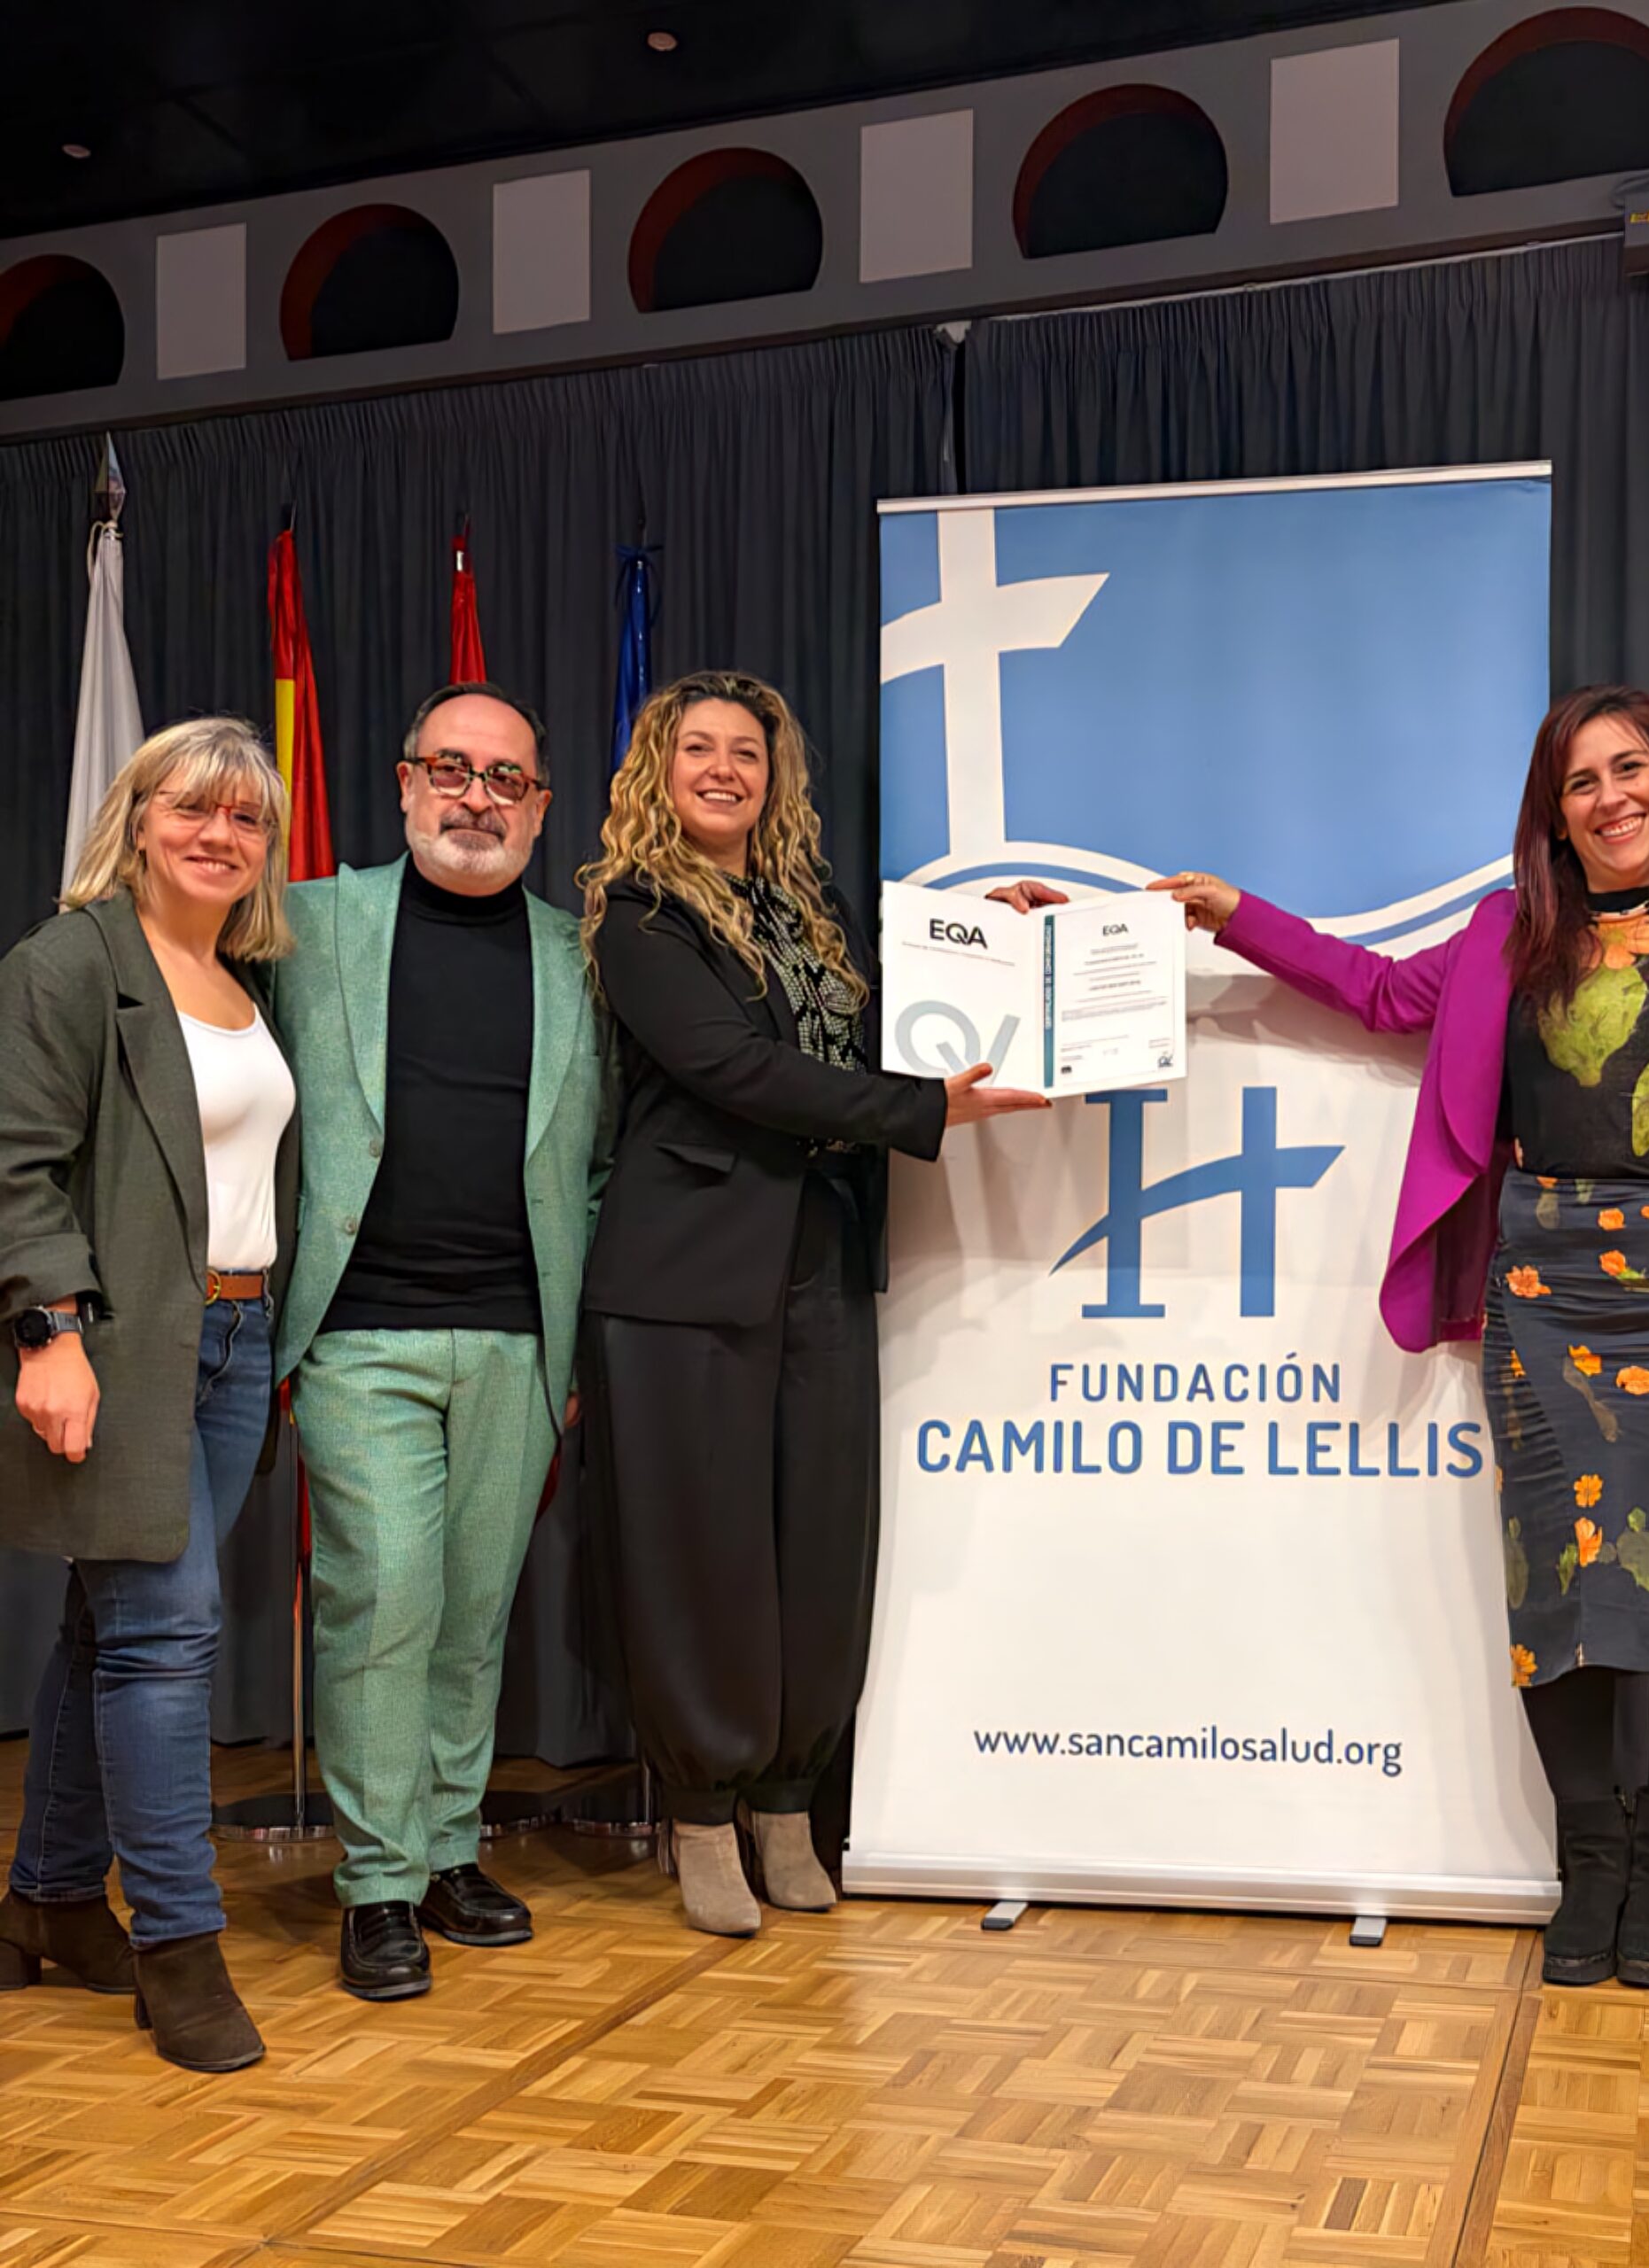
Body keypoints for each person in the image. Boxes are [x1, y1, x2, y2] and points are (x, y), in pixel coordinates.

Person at [1147, 687, 1649, 1988]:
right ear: (1552, 814)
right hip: (1549, 1287)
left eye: (1631, 769)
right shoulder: (1511, 933)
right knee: (1553, 1575)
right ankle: (1591, 1859)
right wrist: (1234, 914)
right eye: (1579, 782)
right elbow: (1380, 992)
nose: (1609, 797)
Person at [578, 670, 1049, 1936]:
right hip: (681, 1277)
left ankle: (788, 1801)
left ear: (774, 775)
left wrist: (992, 942)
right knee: (701, 1555)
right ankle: (700, 1814)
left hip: (818, 1252)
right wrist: (922, 1112)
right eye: (698, 748)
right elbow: (732, 1067)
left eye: (747, 751)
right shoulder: (638, 911)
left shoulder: (807, 907)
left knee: (818, 1543)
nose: (723, 769)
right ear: (658, 770)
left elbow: (885, 1021)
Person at [273, 682, 610, 2000]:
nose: (478, 797)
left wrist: (574, 1349)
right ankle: (375, 1883)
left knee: (472, 1616)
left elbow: (599, 1164)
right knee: (384, 1603)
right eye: (453, 770)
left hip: (521, 1345)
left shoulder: (582, 957)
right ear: (406, 783)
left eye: (506, 779)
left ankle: (449, 1851)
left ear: (541, 806)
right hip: (359, 1335)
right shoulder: (306, 923)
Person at [0, 718, 297, 2072]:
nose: (218, 834)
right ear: (136, 817)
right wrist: (46, 1333)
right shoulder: (70, 963)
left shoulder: (242, 978)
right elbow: (16, 1162)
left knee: (106, 1625)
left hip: (234, 1343)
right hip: (117, 1347)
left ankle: (51, 1903)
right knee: (167, 1636)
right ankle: (180, 1945)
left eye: (245, 817)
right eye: (193, 807)